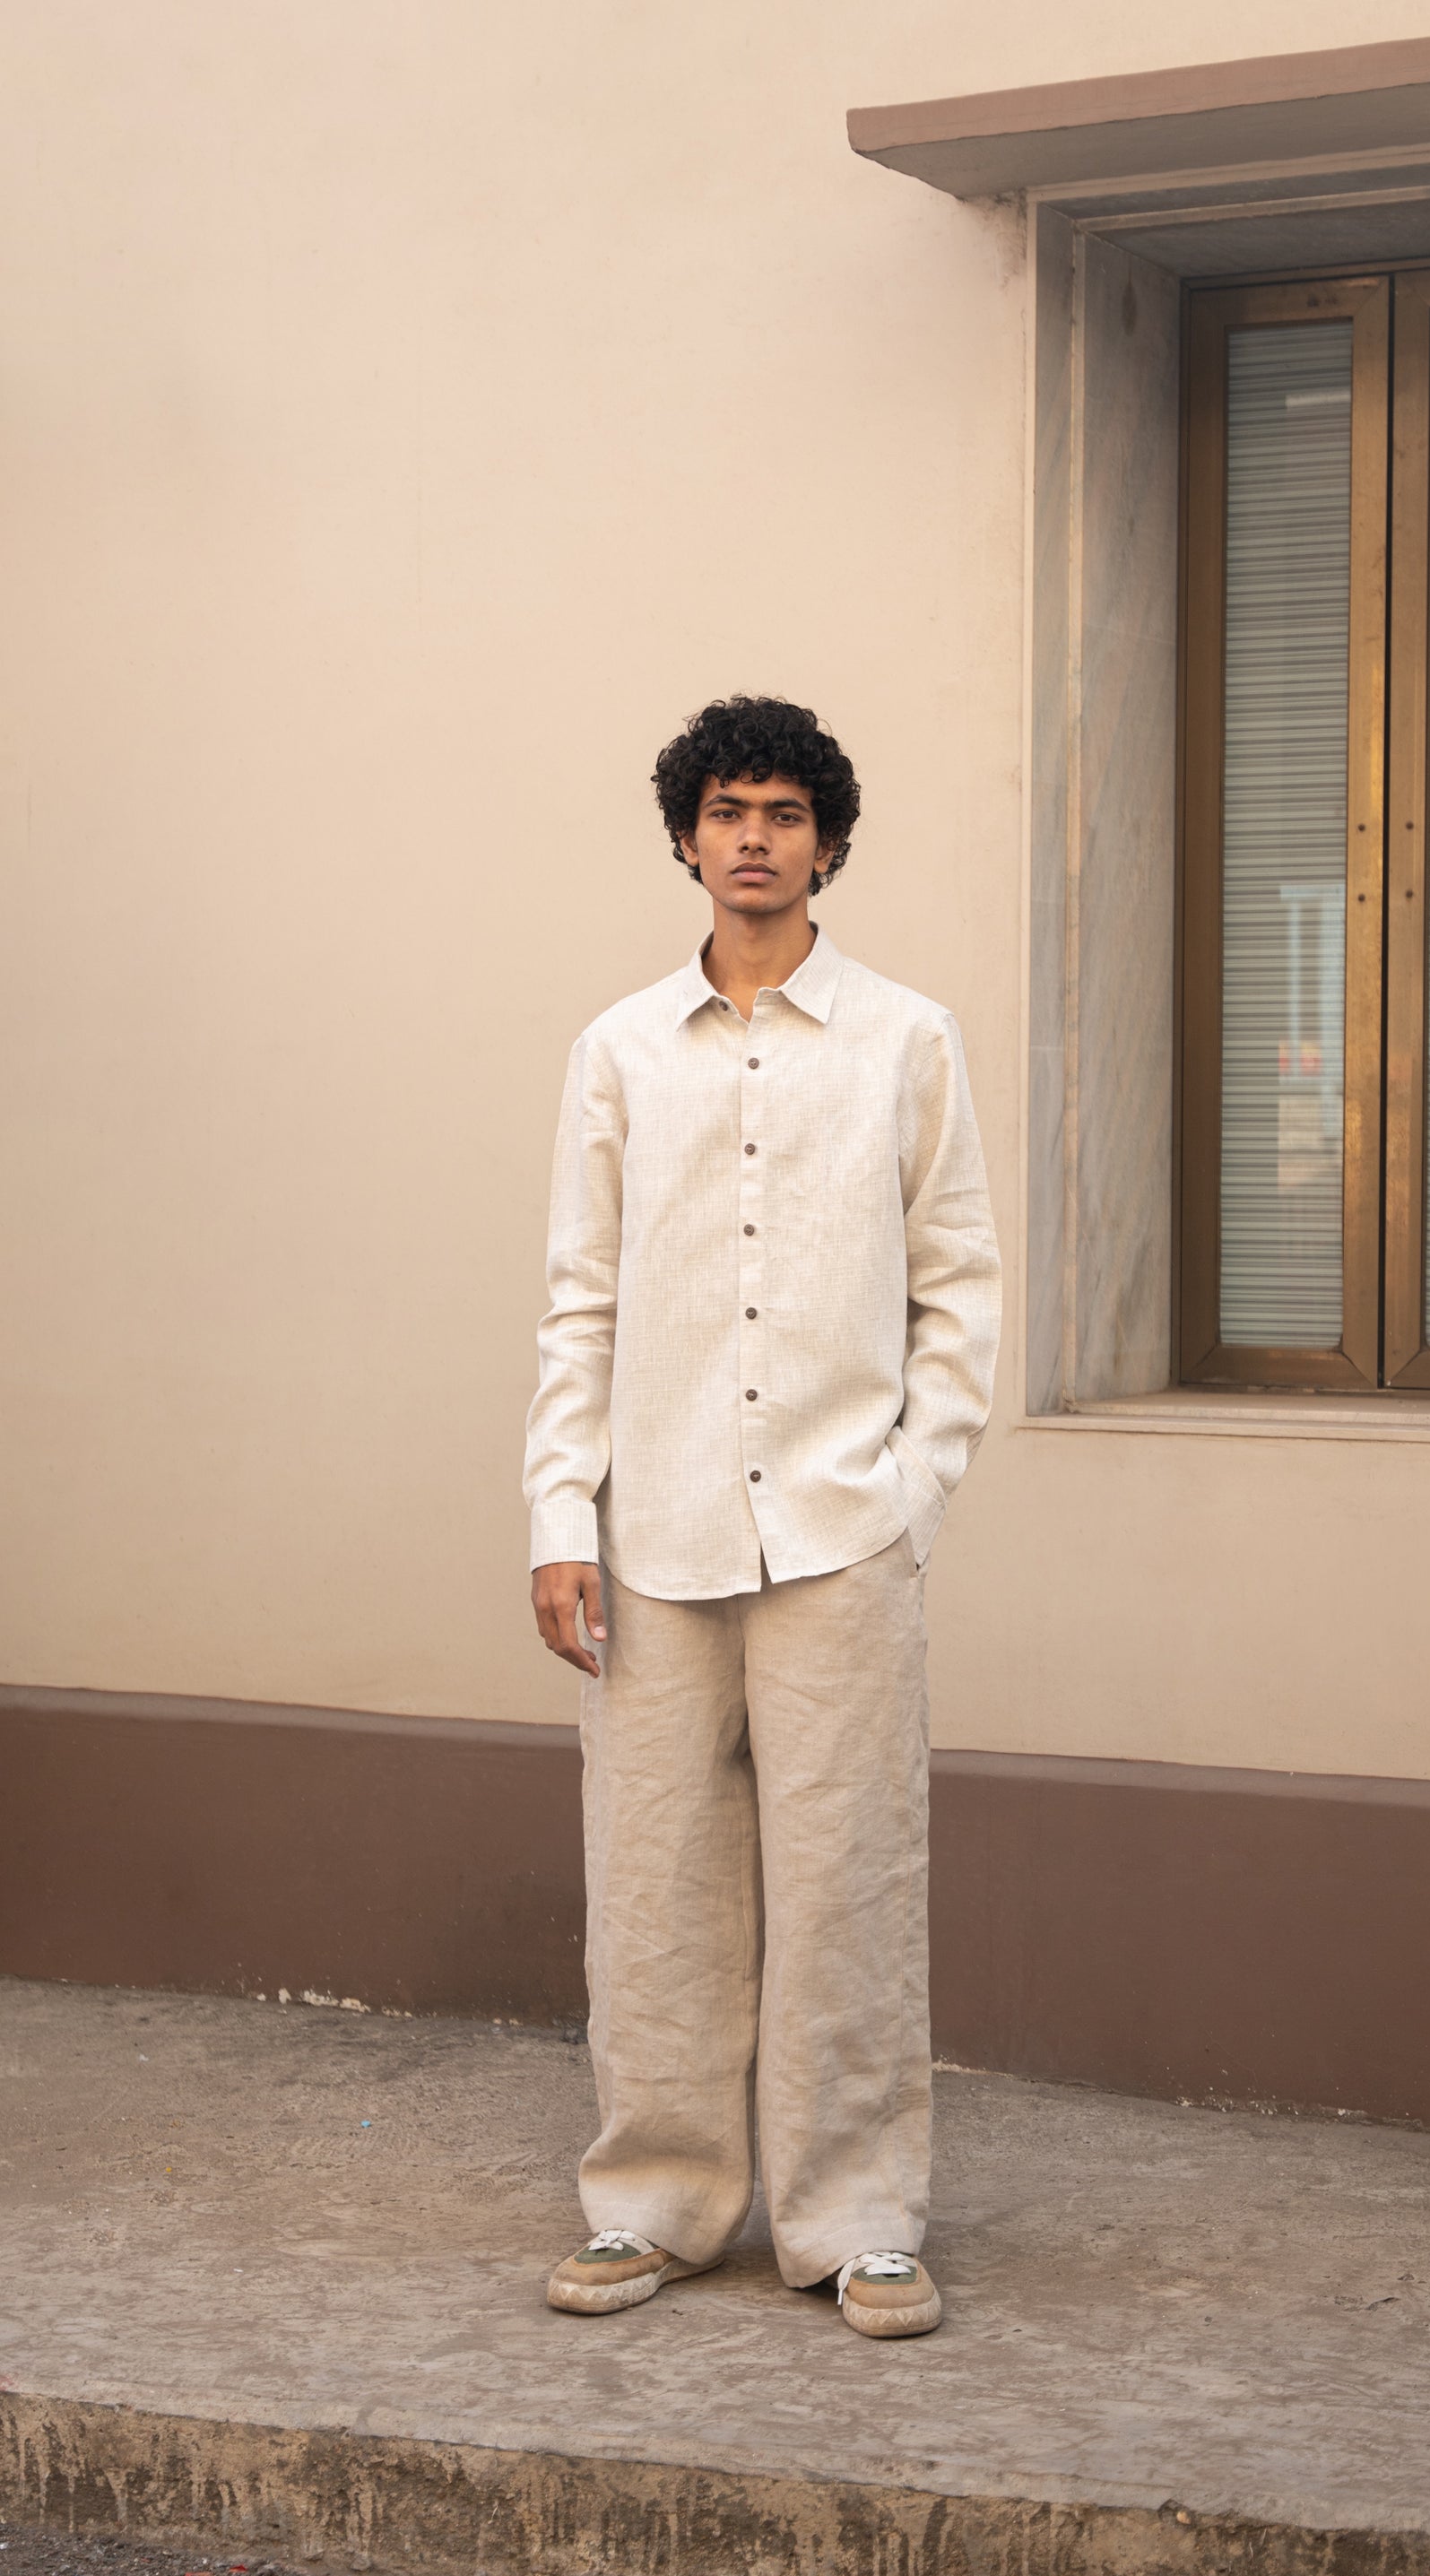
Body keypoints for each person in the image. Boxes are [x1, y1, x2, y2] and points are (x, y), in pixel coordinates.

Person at [524, 694, 1001, 2339]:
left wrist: (909, 1496)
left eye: (784, 812)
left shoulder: (903, 1041)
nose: (752, 837)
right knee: (650, 1886)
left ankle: (856, 2217)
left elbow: (959, 1288)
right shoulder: (618, 1051)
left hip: (835, 1535)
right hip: (647, 1534)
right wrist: (554, 1519)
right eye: (726, 809)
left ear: (827, 842)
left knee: (849, 1881)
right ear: (683, 835)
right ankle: (653, 2207)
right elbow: (578, 1302)